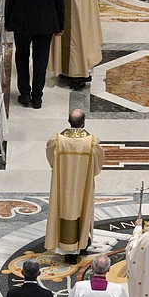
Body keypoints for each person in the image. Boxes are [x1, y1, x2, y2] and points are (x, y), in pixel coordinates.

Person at [3, 0, 63, 109]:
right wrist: (59, 26)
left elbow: (9, 4)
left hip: (22, 26)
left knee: (22, 57)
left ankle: (24, 94)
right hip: (45, 26)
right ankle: (37, 97)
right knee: (40, 60)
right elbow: (59, 4)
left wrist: (8, 24)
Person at [45, 109, 103, 263]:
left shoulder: (57, 140)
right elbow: (98, 165)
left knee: (63, 210)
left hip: (62, 185)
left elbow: (51, 158)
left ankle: (65, 248)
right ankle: (80, 245)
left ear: (68, 121)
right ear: (84, 123)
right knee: (82, 210)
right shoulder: (91, 142)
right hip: (82, 186)